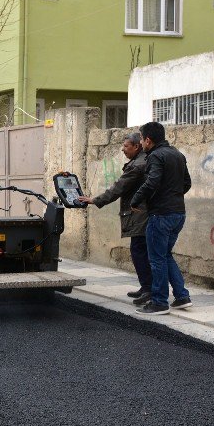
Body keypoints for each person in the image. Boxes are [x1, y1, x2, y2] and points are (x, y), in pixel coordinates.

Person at [129, 121, 193, 315]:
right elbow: (187, 183)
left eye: (141, 139)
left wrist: (136, 200)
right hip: (178, 214)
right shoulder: (178, 154)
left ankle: (159, 302)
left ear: (148, 140)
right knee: (165, 254)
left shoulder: (155, 156)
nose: (140, 142)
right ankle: (182, 296)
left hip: (160, 215)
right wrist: (172, 196)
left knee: (156, 258)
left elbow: (152, 182)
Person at [78, 133, 151, 300]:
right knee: (142, 251)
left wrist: (95, 200)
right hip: (143, 214)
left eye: (126, 146)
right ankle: (146, 287)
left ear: (137, 146)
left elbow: (119, 188)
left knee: (140, 251)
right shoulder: (142, 161)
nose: (123, 149)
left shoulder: (137, 165)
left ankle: (149, 290)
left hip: (140, 215)